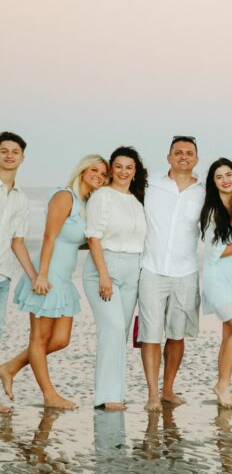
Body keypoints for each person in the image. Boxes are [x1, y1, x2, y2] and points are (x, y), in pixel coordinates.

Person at [0, 154, 108, 409]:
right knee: (39, 339)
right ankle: (49, 395)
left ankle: (9, 367)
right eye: (94, 170)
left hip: (63, 278)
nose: (99, 176)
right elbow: (49, 236)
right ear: (82, 170)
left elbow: (78, 241)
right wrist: (42, 275)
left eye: (103, 174)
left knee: (60, 339)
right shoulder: (64, 196)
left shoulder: (86, 204)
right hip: (46, 275)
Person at [138, 136, 204, 412]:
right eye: (178, 152)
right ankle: (152, 393)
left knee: (177, 334)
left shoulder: (203, 191)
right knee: (151, 334)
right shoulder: (149, 184)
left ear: (196, 159)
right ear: (169, 157)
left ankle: (167, 389)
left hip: (186, 271)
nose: (183, 156)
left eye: (189, 153)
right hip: (151, 268)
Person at [83, 147, 148, 410]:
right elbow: (93, 237)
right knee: (111, 328)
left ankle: (115, 393)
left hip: (133, 268)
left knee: (119, 334)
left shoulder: (136, 200)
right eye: (118, 166)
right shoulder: (102, 196)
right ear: (112, 169)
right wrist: (104, 275)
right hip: (105, 266)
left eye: (129, 167)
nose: (123, 171)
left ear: (135, 172)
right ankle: (106, 397)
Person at [200, 158, 232, 409]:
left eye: (228, 174)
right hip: (217, 277)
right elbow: (214, 252)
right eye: (218, 177)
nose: (225, 180)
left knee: (229, 333)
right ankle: (222, 385)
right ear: (213, 183)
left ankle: (224, 389)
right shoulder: (211, 210)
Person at [0, 132, 36, 414]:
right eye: (3, 150)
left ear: (23, 158)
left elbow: (18, 242)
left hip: (2, 276)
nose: (9, 155)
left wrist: (35, 276)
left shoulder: (21, 198)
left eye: (15, 151)